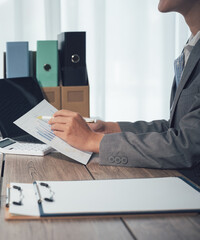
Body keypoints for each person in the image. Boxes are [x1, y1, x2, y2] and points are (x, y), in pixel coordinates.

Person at [48, 0, 200, 185]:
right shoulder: (193, 45)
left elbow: (187, 146)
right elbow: (176, 129)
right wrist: (109, 129)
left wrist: (94, 141)